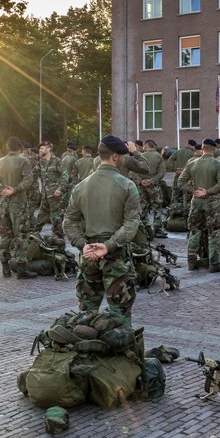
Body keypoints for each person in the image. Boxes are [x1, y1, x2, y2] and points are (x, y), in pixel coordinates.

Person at [63, 135, 141, 316]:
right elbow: (131, 224)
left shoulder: (80, 186)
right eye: (122, 156)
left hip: (88, 254)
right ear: (115, 157)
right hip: (116, 256)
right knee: (120, 315)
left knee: (86, 317)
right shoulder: (127, 185)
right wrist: (108, 246)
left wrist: (83, 245)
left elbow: (69, 221)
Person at [0, 136, 35, 278]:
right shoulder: (24, 160)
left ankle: (5, 267)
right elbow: (29, 180)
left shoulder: (0, 161)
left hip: (4, 203)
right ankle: (21, 269)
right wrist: (15, 189)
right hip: (18, 203)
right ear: (20, 147)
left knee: (4, 234)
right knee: (20, 235)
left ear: (7, 147)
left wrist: (0, 191)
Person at [180, 138, 220, 271]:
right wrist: (207, 192)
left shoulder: (192, 164)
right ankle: (214, 263)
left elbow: (181, 182)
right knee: (215, 231)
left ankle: (192, 262)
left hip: (196, 202)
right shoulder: (218, 164)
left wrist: (195, 191)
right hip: (212, 202)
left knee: (195, 231)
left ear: (202, 148)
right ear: (214, 149)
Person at [34, 141, 65, 239]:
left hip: (55, 195)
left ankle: (59, 239)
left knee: (56, 218)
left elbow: (65, 175)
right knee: (41, 215)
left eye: (42, 148)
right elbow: (32, 174)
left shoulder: (57, 161)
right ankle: (34, 235)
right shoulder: (41, 162)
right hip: (45, 195)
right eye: (40, 148)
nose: (40, 150)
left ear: (48, 149)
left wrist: (60, 189)